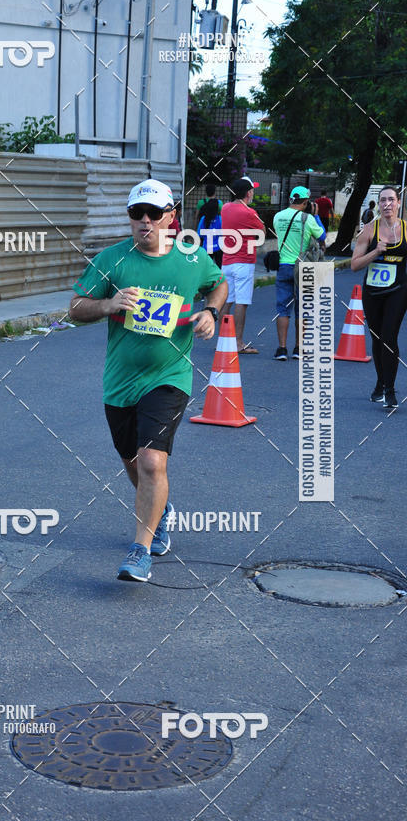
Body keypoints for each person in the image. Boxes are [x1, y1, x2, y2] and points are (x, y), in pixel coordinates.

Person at [69, 179, 228, 583]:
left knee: (154, 460)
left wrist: (210, 311)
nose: (145, 222)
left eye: (154, 214)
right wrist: (108, 303)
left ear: (171, 216)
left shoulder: (191, 258)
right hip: (121, 382)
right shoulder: (112, 260)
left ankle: (140, 550)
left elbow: (219, 284)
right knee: (133, 461)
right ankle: (161, 510)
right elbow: (74, 307)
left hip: (169, 375)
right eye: (136, 214)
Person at [350, 186, 407, 409]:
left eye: (391, 200)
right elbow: (355, 265)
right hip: (373, 292)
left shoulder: (405, 229)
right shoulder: (368, 230)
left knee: (389, 337)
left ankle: (390, 391)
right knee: (376, 339)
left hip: (399, 291)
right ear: (378, 204)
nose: (387, 204)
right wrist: (376, 252)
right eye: (382, 200)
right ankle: (380, 383)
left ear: (398, 203)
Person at [272, 186, 327, 360]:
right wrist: (316, 215)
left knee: (283, 308)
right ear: (305, 202)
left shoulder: (278, 217)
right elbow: (322, 236)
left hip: (283, 265)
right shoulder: (308, 218)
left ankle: (281, 349)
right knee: (302, 309)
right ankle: (298, 348)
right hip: (303, 266)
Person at [219, 177, 265, 354]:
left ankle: (223, 341)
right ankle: (238, 342)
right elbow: (261, 233)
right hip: (244, 261)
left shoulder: (225, 208)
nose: (253, 193)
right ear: (248, 193)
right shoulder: (249, 212)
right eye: (252, 191)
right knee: (242, 302)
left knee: (227, 301)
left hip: (227, 261)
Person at [197, 185, 223, 268]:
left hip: (207, 248)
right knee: (220, 267)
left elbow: (200, 234)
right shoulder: (220, 219)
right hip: (219, 247)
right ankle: (219, 280)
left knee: (207, 268)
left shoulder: (203, 219)